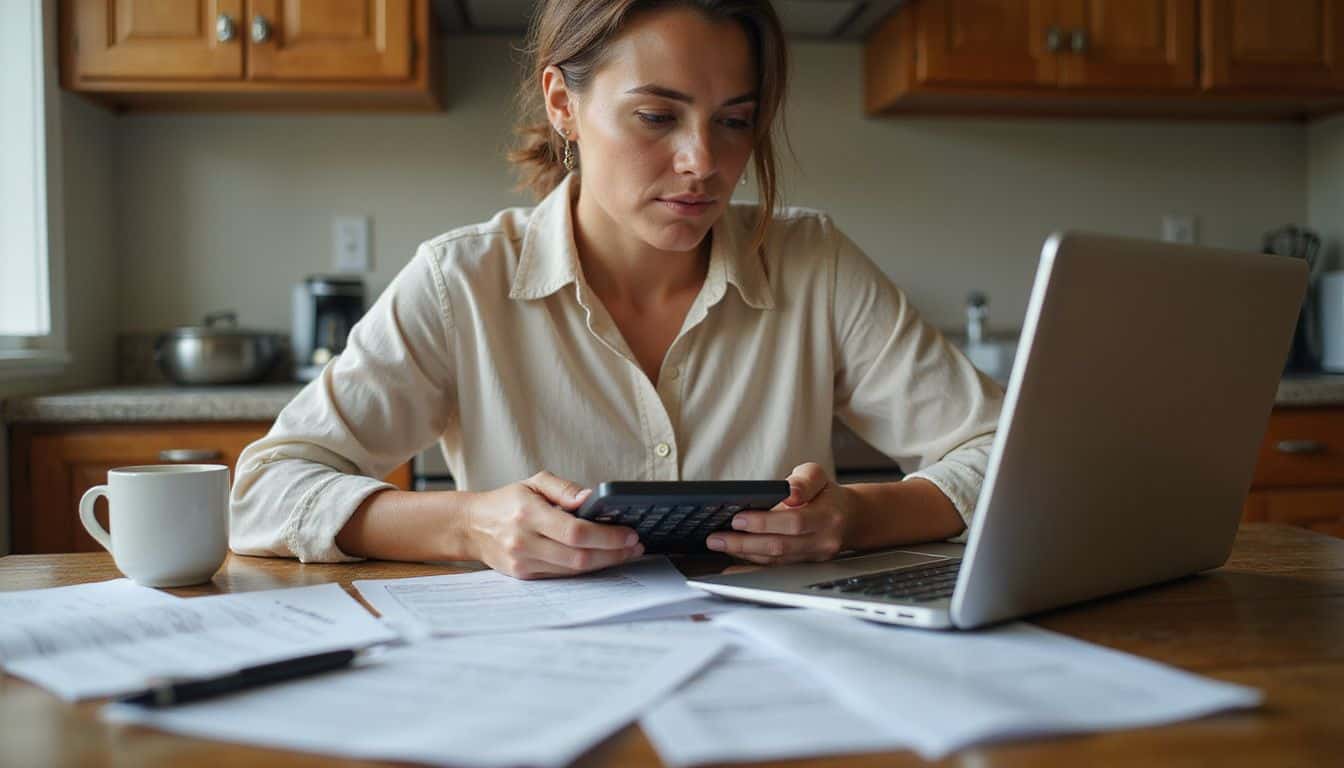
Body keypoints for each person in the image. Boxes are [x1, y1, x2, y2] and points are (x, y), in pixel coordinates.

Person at [229, 0, 1003, 579]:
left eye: (735, 122)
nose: (704, 161)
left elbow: (1004, 452)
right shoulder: (460, 282)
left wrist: (861, 516)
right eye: (657, 116)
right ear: (564, 104)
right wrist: (466, 524)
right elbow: (265, 489)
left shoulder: (815, 264)